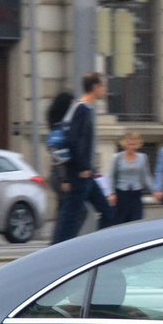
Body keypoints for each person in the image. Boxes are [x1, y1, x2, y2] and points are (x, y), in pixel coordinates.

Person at [51, 73, 111, 244]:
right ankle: (56, 253)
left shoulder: (86, 109)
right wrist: (82, 167)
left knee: (107, 212)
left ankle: (100, 246)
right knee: (68, 220)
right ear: (95, 87)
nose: (105, 90)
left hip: (87, 175)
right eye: (103, 86)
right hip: (79, 176)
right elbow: (72, 141)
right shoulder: (81, 110)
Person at [107, 131, 155, 226]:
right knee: (120, 220)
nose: (131, 147)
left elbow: (146, 175)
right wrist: (111, 193)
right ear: (125, 144)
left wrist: (154, 189)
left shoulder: (142, 157)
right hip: (121, 193)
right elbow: (112, 176)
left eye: (134, 144)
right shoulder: (117, 157)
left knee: (136, 220)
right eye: (129, 144)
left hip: (136, 193)